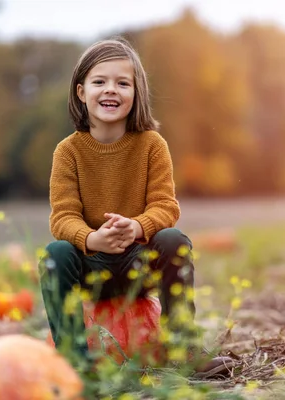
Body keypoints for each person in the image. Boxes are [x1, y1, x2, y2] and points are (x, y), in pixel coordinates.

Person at [40, 36, 234, 375]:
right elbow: (62, 217)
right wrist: (90, 239)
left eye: (122, 83)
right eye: (100, 81)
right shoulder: (67, 152)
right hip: (91, 266)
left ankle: (181, 349)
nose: (111, 90)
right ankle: (75, 363)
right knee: (55, 254)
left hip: (136, 263)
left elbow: (165, 205)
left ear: (136, 93)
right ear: (81, 92)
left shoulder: (151, 145)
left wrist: (138, 226)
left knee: (173, 239)